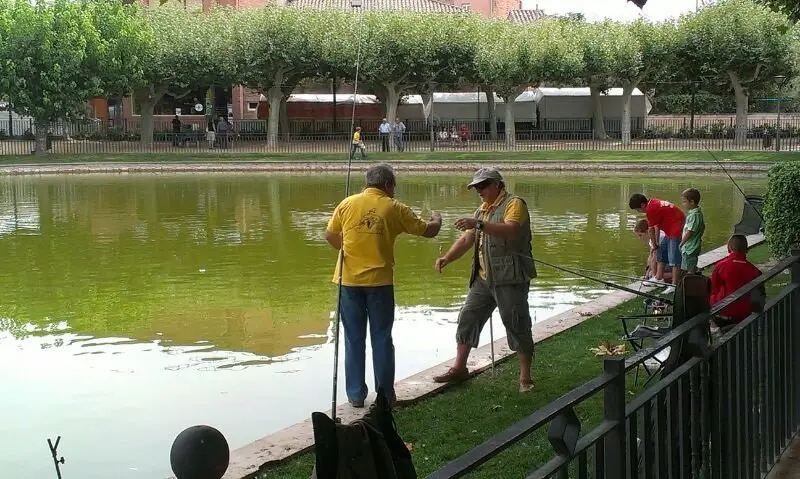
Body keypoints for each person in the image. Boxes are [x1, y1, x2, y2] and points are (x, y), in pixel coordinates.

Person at [325, 164, 442, 408]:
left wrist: (343, 246)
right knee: (381, 339)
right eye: (394, 187)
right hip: (380, 283)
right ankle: (385, 396)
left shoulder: (347, 204)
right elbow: (428, 231)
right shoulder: (394, 207)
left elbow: (330, 235)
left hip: (348, 282)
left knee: (353, 339)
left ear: (368, 183)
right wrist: (437, 219)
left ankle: (356, 395)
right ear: (388, 185)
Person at [432, 167, 537, 393]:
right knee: (468, 317)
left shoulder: (514, 204)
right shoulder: (481, 210)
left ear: (497, 185)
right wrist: (447, 257)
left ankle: (525, 378)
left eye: (482, 186)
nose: (478, 190)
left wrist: (477, 224)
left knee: (516, 322)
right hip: (483, 278)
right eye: (476, 187)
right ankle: (459, 369)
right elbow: (468, 238)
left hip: (510, 276)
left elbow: (511, 230)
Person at [629, 193, 686, 293]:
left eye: (638, 209)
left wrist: (654, 244)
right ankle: (658, 278)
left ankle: (674, 284)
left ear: (642, 205)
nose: (639, 212)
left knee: (674, 258)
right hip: (669, 228)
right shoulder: (652, 203)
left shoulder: (650, 209)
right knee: (661, 251)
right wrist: (656, 244)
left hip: (675, 226)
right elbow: (656, 227)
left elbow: (651, 230)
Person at [709, 235, 762, 330]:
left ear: (729, 248)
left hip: (724, 310)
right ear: (746, 249)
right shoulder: (754, 270)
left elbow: (714, 289)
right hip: (746, 312)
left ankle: (714, 328)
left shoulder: (721, 266)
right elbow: (760, 295)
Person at [679, 188, 706, 276]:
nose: (683, 204)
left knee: (690, 267)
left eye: (684, 202)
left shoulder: (694, 216)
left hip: (690, 247)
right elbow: (703, 227)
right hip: (692, 245)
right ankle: (691, 277)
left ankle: (691, 280)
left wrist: (681, 243)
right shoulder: (697, 213)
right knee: (690, 264)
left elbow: (690, 231)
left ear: (692, 202)